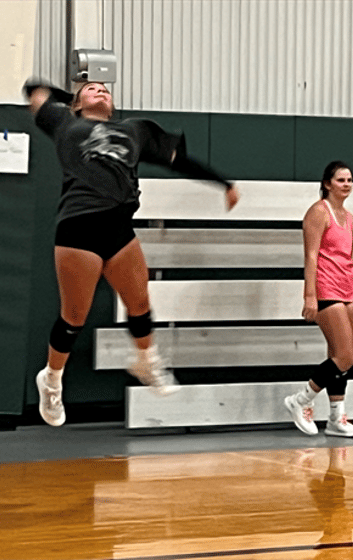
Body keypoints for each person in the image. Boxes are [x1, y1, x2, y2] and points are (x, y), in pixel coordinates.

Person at [24, 79, 240, 427]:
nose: (101, 91)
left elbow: (178, 162)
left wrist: (222, 182)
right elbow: (34, 89)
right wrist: (70, 100)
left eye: (105, 89)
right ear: (77, 103)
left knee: (140, 303)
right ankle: (51, 379)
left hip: (119, 227)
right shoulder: (65, 123)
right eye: (91, 89)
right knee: (74, 316)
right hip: (80, 225)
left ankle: (145, 360)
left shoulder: (133, 131)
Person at [284, 161, 353, 438]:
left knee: (339, 356)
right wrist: (309, 296)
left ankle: (336, 418)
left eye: (350, 180)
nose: (347, 184)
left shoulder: (350, 219)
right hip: (326, 289)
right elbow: (311, 256)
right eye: (341, 180)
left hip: (348, 289)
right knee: (346, 355)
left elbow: (344, 260)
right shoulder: (318, 212)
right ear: (327, 183)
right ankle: (300, 400)